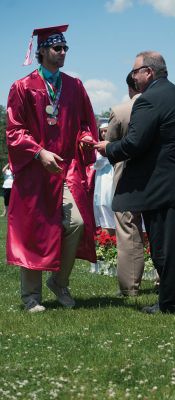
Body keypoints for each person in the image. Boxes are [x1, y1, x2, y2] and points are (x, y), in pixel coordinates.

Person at [94, 51, 175, 314]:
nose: (132, 77)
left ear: (148, 72)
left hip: (164, 187)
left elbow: (134, 142)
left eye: (135, 72)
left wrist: (108, 147)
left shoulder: (148, 100)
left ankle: (169, 302)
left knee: (165, 248)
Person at [6, 25, 98, 312]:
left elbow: (85, 122)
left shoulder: (74, 86)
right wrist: (38, 152)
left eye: (65, 48)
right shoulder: (23, 87)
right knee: (33, 229)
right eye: (57, 49)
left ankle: (59, 281)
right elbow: (14, 130)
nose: (62, 53)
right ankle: (30, 297)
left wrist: (85, 137)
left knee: (77, 223)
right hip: (35, 170)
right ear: (42, 51)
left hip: (66, 167)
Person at [105, 72, 144, 296]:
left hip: (127, 174)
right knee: (158, 228)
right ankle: (163, 280)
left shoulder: (120, 111)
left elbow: (110, 145)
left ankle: (130, 287)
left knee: (128, 229)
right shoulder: (162, 106)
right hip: (156, 176)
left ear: (130, 88)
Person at [93, 122, 115, 233]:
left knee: (111, 202)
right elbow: (96, 164)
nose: (103, 133)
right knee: (101, 203)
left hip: (113, 176)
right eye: (101, 131)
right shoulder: (97, 147)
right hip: (101, 178)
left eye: (106, 130)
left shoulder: (116, 144)